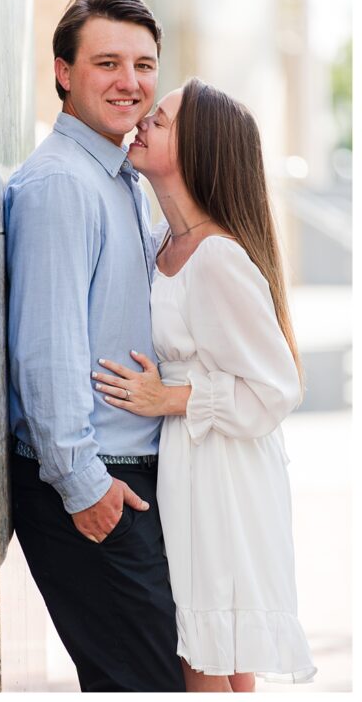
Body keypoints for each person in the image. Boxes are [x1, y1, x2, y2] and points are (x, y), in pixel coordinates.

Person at [93, 78, 317, 691]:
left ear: (197, 151)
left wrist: (174, 397)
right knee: (214, 651)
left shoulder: (217, 258)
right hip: (191, 461)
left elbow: (278, 386)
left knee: (207, 655)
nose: (141, 122)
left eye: (159, 122)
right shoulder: (169, 242)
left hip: (223, 470)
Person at [4, 0, 185, 691]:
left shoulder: (120, 176)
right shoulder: (60, 185)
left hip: (127, 474)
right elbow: (45, 348)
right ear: (62, 72)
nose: (130, 82)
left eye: (144, 65)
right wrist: (84, 487)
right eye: (107, 62)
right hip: (89, 482)